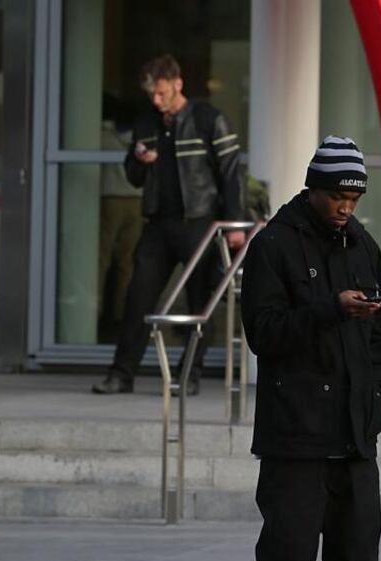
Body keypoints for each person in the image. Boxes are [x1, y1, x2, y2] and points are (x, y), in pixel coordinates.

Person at [241, 135, 381, 561]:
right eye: (336, 196)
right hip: (296, 439)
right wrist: (331, 308)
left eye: (353, 198)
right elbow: (263, 333)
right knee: (285, 560)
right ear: (313, 188)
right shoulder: (273, 244)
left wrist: (380, 393)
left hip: (354, 438)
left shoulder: (364, 245)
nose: (345, 207)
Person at [93, 54, 245, 395]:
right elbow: (133, 178)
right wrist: (138, 158)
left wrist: (235, 224)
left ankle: (188, 375)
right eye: (151, 95)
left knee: (197, 302)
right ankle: (121, 374)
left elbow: (232, 174)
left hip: (200, 223)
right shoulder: (147, 123)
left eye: (161, 93)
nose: (156, 100)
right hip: (159, 223)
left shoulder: (209, 119)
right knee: (137, 298)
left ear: (178, 83)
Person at [97, 93, 141, 339]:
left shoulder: (103, 135)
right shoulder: (139, 136)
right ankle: (119, 314)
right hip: (135, 200)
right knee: (126, 263)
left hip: (110, 199)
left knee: (101, 260)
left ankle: (96, 312)